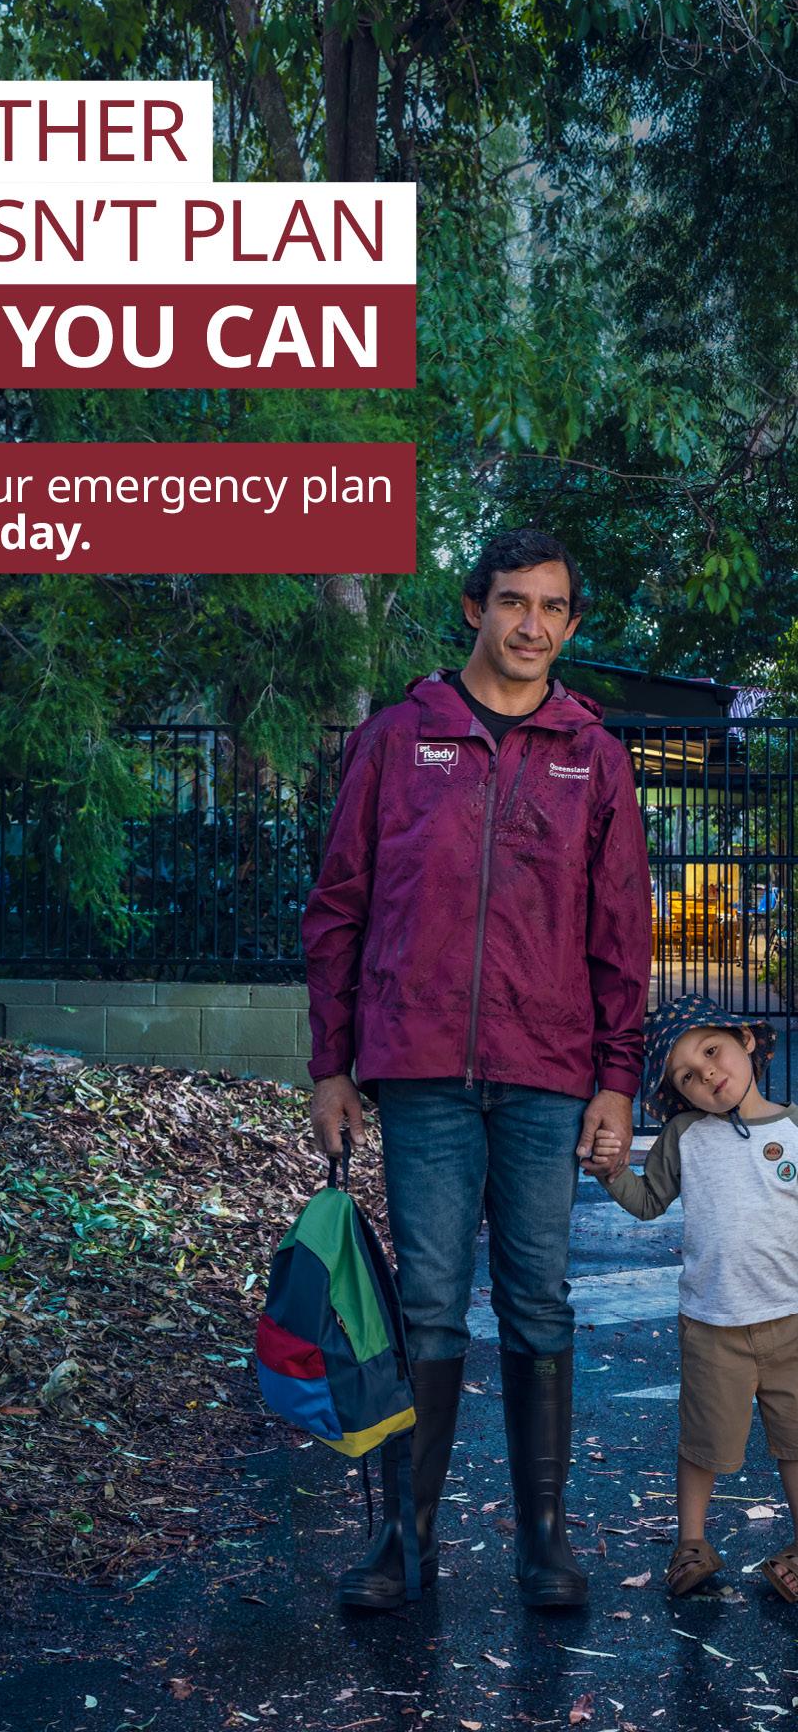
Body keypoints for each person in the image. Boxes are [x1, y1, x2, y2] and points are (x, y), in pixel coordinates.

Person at [302, 527, 653, 1612]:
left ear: (572, 622)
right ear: (473, 609)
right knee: (435, 1310)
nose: (531, 626)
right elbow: (341, 907)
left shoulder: (591, 755)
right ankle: (404, 1544)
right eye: (512, 602)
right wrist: (330, 1066)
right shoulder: (399, 740)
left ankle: (544, 1544)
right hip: (420, 1075)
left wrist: (615, 1079)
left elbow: (621, 931)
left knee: (541, 1304)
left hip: (548, 1073)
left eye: (552, 607)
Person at [586, 991, 798, 1603]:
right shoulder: (685, 1136)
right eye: (687, 1074)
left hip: (791, 1322)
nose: (707, 1073)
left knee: (796, 1441)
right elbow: (649, 1201)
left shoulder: (792, 1127)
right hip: (712, 1323)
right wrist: (612, 1173)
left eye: (712, 1050)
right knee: (702, 1442)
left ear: (748, 1042)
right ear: (679, 1093)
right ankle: (693, 1544)